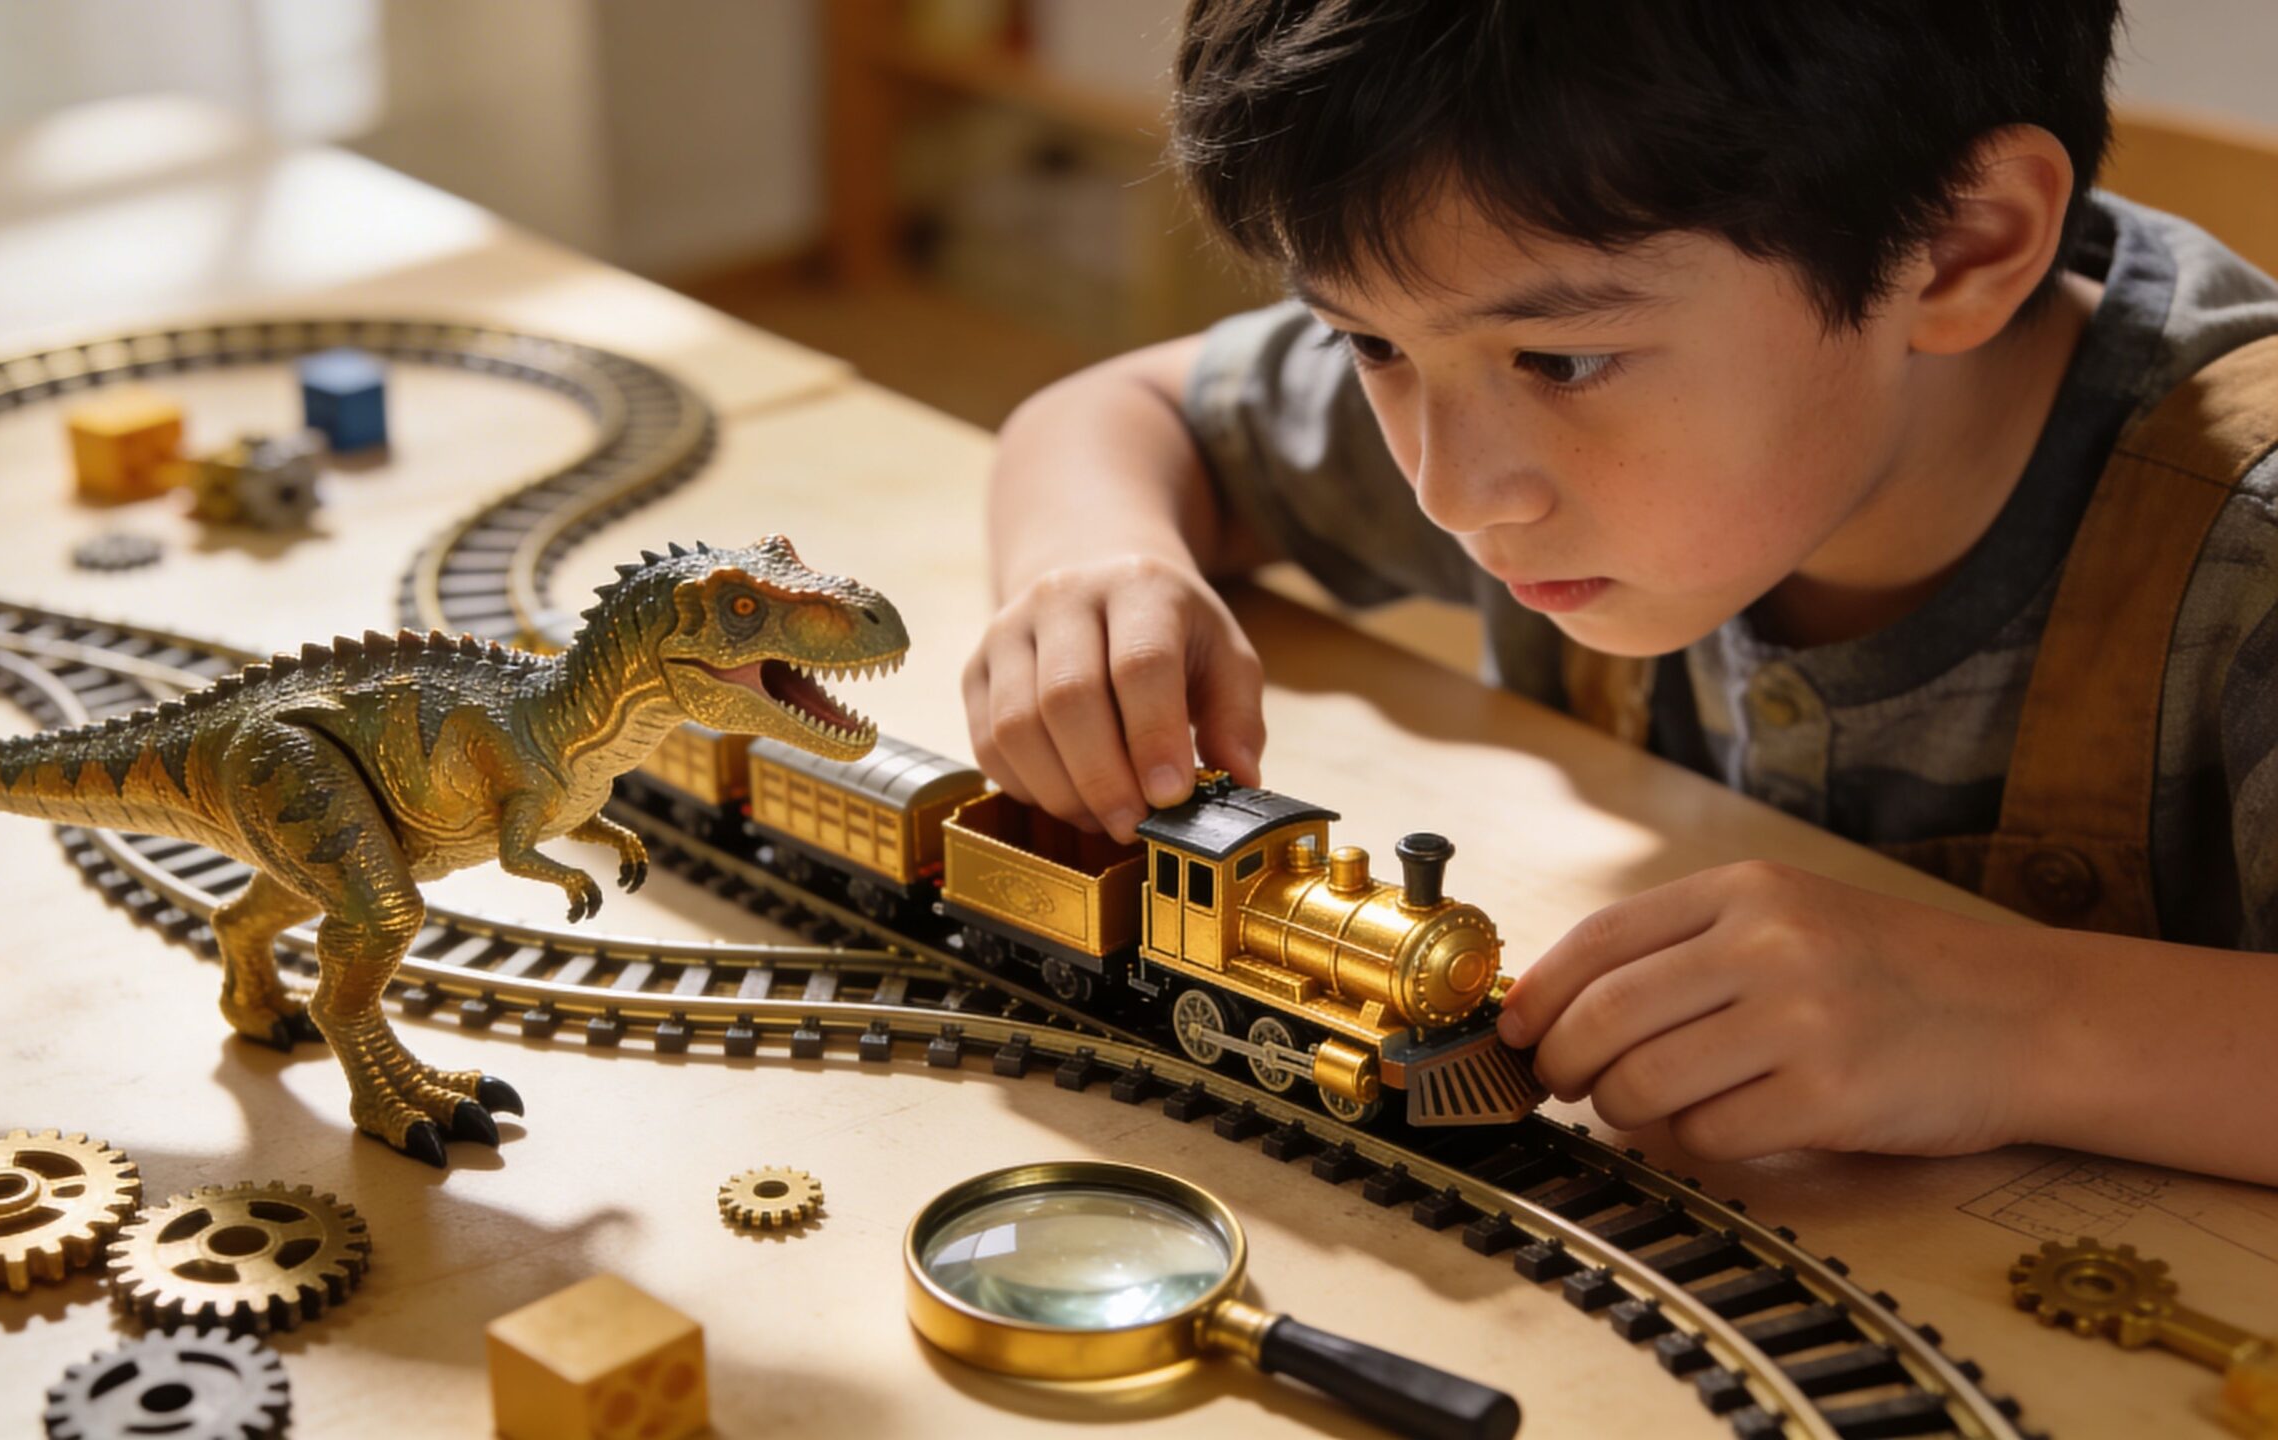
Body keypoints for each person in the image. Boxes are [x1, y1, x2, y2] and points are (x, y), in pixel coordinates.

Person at [962, 0, 2278, 1185]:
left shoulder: (2247, 549)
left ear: (1955, 248)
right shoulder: (1489, 337)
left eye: (1563, 363)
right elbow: (1122, 415)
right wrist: (1095, 564)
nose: (1452, 491)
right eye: (1365, 341)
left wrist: (2020, 1022)